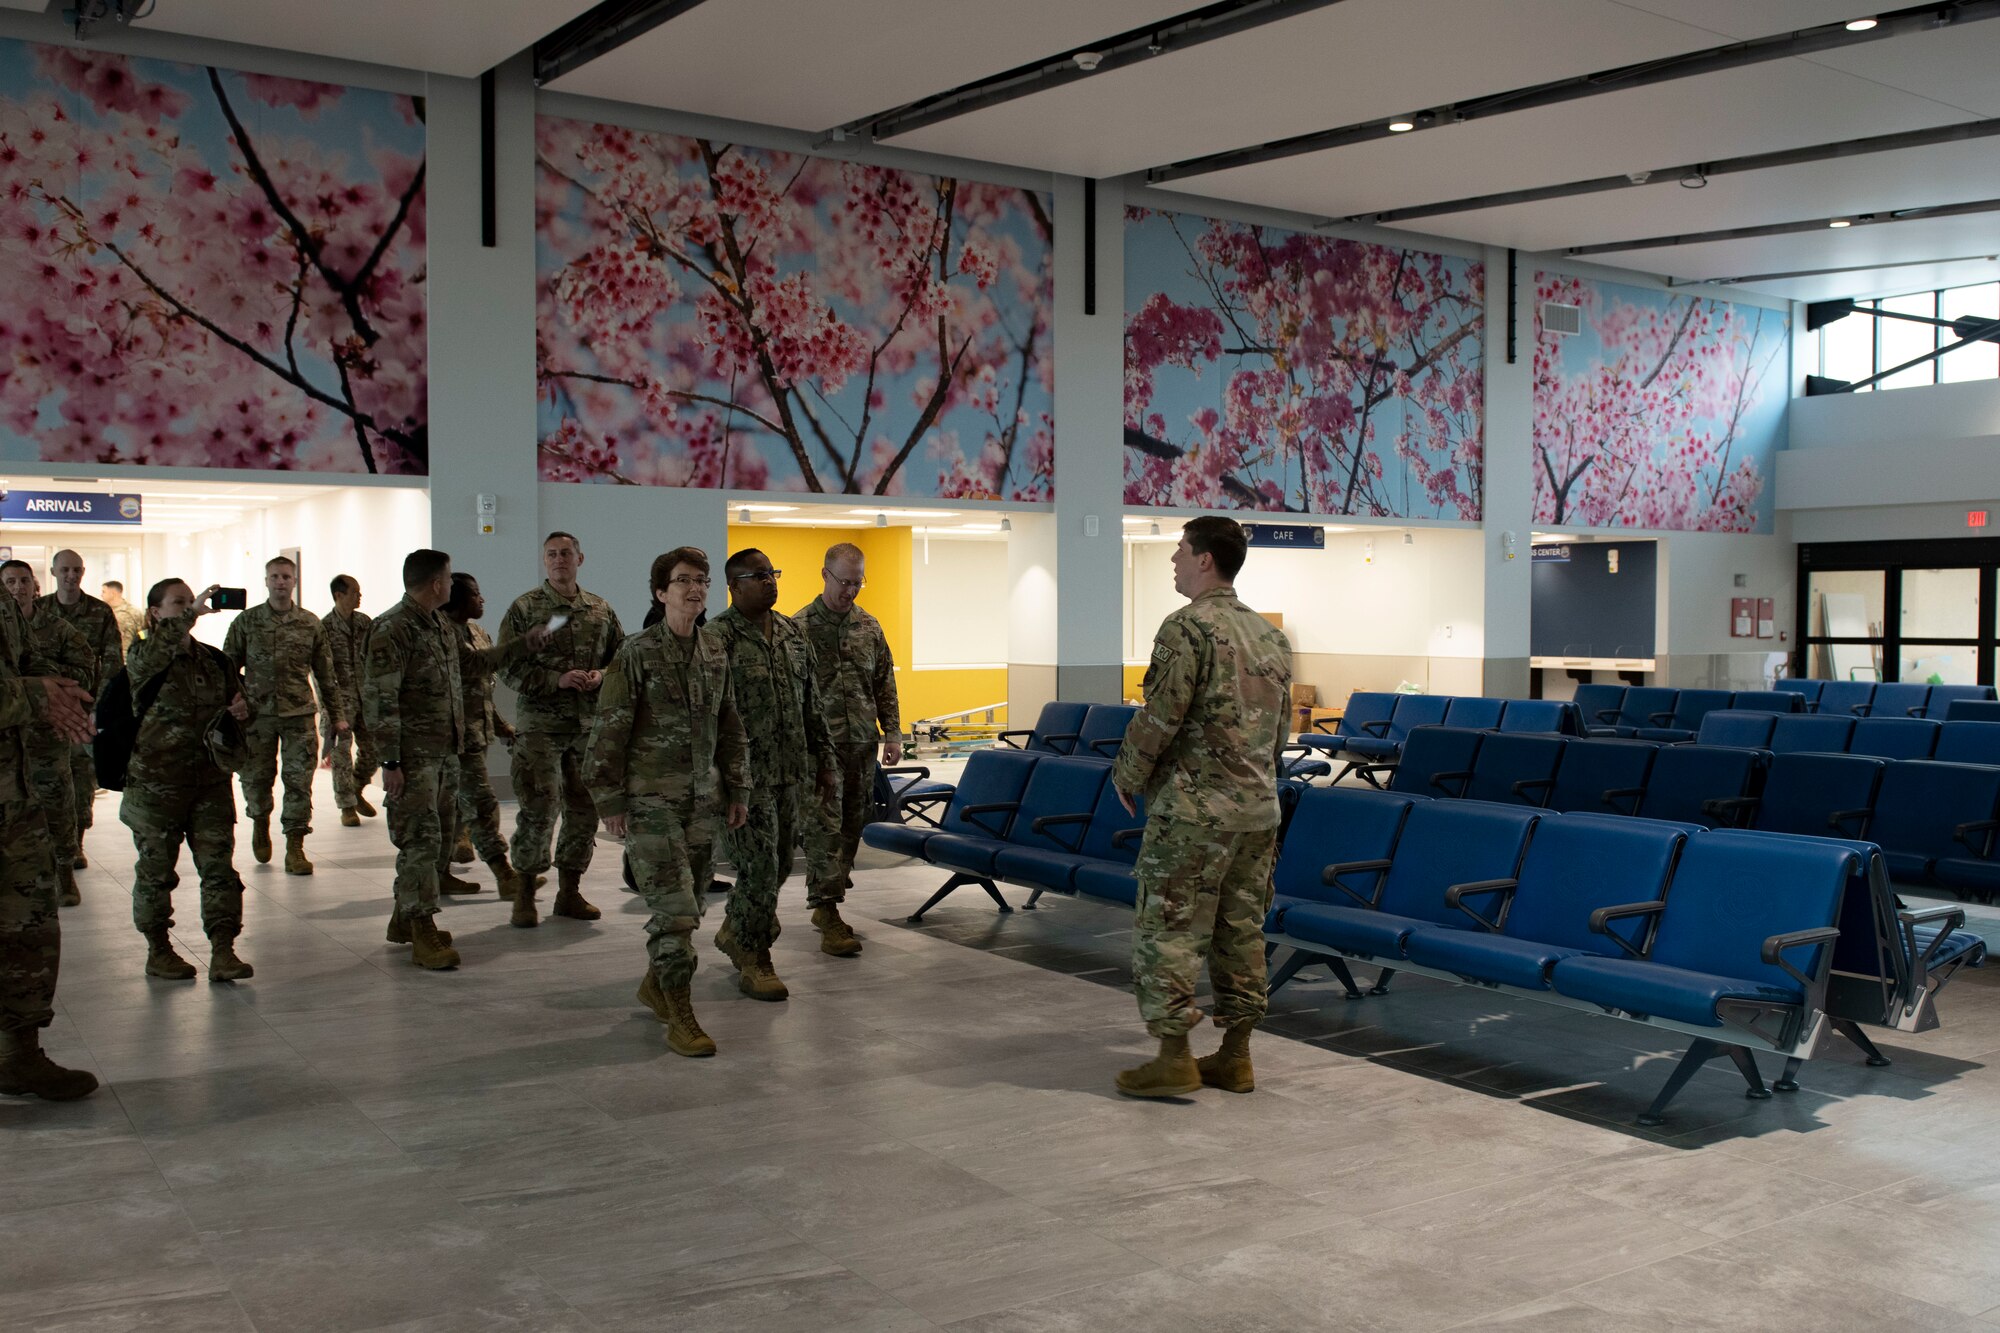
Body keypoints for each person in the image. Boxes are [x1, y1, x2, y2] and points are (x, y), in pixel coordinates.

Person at [1109, 516, 1292, 1099]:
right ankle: (1236, 1057)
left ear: (1206, 559)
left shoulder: (1185, 628)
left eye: (1180, 551)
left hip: (1193, 813)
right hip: (1257, 812)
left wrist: (1128, 772)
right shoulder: (1269, 636)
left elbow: (1161, 714)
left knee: (1169, 929)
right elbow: (1280, 733)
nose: (1174, 562)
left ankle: (1173, 1057)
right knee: (1240, 930)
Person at [585, 547, 748, 1056]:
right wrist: (608, 798)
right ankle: (681, 1010)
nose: (695, 589)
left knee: (694, 903)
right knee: (675, 911)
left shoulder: (716, 651)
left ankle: (655, 984)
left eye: (701, 580)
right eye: (682, 581)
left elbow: (730, 725)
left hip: (703, 800)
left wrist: (738, 788)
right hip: (649, 801)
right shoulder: (635, 653)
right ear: (660, 592)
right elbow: (608, 729)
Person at [708, 549, 835, 1001]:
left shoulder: (792, 634)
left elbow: (812, 705)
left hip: (791, 773)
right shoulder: (715, 639)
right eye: (758, 575)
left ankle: (737, 930)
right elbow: (707, 717)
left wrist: (824, 763)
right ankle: (756, 957)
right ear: (734, 585)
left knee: (779, 867)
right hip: (744, 779)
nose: (769, 581)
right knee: (759, 870)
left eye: (772, 573)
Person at [122, 580, 255, 984]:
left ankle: (223, 950)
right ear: (155, 613)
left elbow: (244, 703)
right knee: (157, 871)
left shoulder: (214, 660)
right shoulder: (143, 654)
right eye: (178, 603)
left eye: (190, 601)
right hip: (155, 786)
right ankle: (158, 950)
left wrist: (244, 708)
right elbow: (153, 653)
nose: (189, 608)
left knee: (219, 869)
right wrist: (190, 616)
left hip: (209, 782)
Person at [0, 593, 100, 1101]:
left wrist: (58, 690)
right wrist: (33, 694)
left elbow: (19, 662)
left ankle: (17, 1056)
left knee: (28, 927)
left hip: (13, 796)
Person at [497, 532, 624, 928]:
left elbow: (621, 661)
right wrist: (556, 679)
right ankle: (524, 893)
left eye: (565, 553)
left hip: (588, 726)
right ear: (544, 561)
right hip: (541, 727)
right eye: (551, 554)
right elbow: (508, 666)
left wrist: (600, 675)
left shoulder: (600, 609)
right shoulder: (525, 608)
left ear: (580, 558)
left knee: (583, 810)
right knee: (539, 807)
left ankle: (569, 891)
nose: (558, 560)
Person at [362, 550, 470, 970]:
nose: (451, 585)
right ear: (437, 584)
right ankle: (422, 928)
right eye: (448, 578)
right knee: (419, 843)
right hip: (413, 758)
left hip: (444, 754)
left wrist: (520, 647)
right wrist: (389, 762)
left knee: (438, 840)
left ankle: (402, 919)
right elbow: (380, 698)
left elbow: (468, 668)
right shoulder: (393, 628)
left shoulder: (437, 623)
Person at [794, 542, 901, 957]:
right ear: (825, 575)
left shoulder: (869, 628)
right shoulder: (798, 628)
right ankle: (826, 908)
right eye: (845, 582)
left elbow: (884, 684)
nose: (851, 591)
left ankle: (831, 892)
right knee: (824, 826)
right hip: (819, 750)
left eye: (858, 582)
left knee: (853, 825)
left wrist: (892, 732)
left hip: (861, 745)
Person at [224, 556, 345, 876]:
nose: (280, 582)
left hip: (299, 715)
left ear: (294, 582)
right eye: (275, 576)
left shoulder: (310, 623)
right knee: (256, 779)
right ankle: (260, 821)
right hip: (257, 716)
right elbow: (225, 669)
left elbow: (325, 674)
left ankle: (295, 846)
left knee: (299, 782)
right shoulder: (246, 623)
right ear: (266, 581)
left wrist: (337, 716)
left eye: (286, 577)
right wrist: (235, 702)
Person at [442, 573, 536, 899]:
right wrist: (520, 645)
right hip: (451, 739)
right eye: (476, 594)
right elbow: (474, 665)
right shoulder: (441, 634)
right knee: (482, 805)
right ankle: (504, 874)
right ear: (458, 599)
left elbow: (482, 689)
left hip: (476, 735)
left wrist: (501, 726)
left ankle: (440, 875)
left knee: (455, 809)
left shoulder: (478, 632)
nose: (482, 600)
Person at [4, 561, 92, 908]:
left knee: (57, 803)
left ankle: (63, 870)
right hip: (11, 734)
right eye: (10, 581)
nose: (17, 587)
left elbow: (84, 668)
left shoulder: (56, 627)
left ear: (34, 584)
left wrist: (50, 687)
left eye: (23, 580)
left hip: (46, 731)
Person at [38, 549, 124, 874]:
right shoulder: (40, 611)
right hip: (46, 713)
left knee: (82, 782)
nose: (70, 576)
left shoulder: (100, 612)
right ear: (54, 571)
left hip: (84, 712)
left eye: (76, 570)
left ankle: (75, 844)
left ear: (83, 572)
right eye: (65, 570)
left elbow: (114, 662)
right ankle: (53, 848)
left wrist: (98, 707)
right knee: (48, 782)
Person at [320, 575, 379, 828]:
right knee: (341, 754)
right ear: (339, 595)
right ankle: (346, 806)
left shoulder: (365, 623)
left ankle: (356, 788)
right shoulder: (324, 628)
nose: (360, 596)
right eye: (355, 592)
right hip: (339, 702)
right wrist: (328, 707)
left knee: (374, 749)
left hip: (366, 698)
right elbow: (319, 670)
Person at [103, 580, 145, 655]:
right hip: (111, 658)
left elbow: (144, 634)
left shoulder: (133, 612)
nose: (101, 595)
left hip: (131, 657)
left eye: (104, 592)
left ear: (112, 593)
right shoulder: (103, 613)